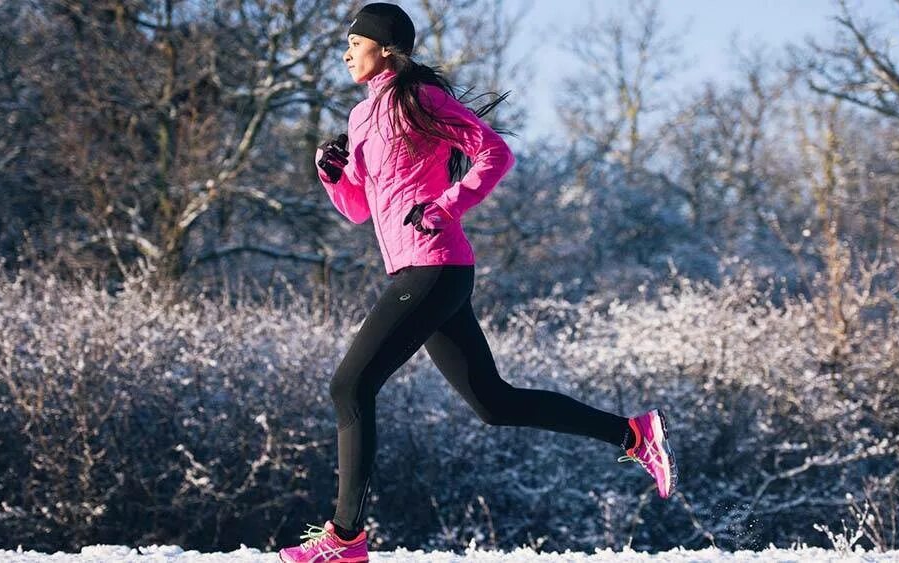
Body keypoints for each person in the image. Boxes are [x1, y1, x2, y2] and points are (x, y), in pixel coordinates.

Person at [278, 3, 677, 562]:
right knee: (493, 402)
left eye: (355, 41)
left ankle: (345, 539)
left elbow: (495, 152)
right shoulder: (360, 116)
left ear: (386, 48)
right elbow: (358, 209)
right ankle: (635, 435)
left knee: (350, 385)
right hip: (417, 269)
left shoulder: (418, 99)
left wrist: (445, 205)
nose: (346, 52)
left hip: (436, 263)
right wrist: (332, 175)